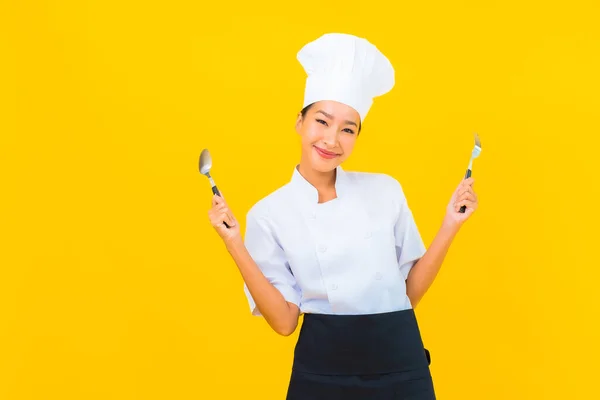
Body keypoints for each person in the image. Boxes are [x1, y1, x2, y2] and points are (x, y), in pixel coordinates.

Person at [207, 32, 478, 399]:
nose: (332, 139)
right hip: (323, 369)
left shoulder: (385, 191)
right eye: (322, 121)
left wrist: (450, 224)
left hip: (400, 360)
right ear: (299, 122)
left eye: (347, 129)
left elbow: (406, 295)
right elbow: (285, 322)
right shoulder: (269, 214)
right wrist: (233, 243)